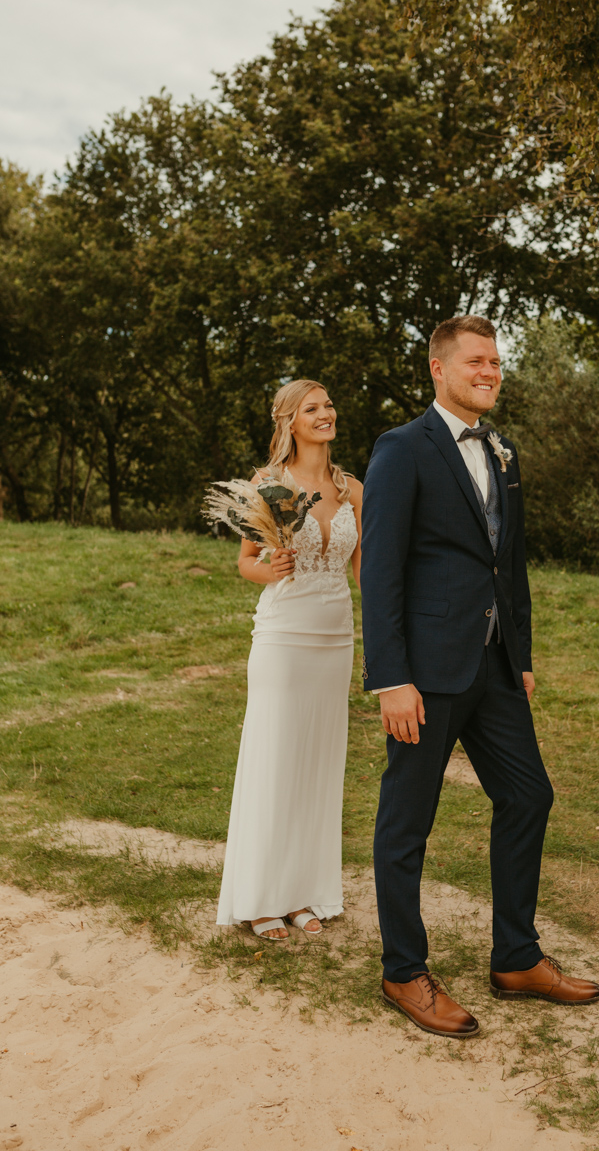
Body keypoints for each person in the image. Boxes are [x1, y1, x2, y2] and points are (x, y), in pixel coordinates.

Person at [360, 315, 599, 1038]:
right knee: (407, 821)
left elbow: (509, 562)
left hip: (494, 667)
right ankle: (403, 971)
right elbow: (380, 570)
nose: (490, 372)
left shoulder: (503, 450)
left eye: (496, 361)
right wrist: (390, 677)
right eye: (476, 361)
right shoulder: (402, 448)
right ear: (439, 369)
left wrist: (520, 657)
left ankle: (516, 958)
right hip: (425, 674)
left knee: (529, 795)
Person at [216, 379, 362, 941]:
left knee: (318, 766)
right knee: (275, 761)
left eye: (329, 404)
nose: (325, 414)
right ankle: (260, 899)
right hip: (283, 638)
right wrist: (268, 568)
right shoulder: (267, 484)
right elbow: (245, 563)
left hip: (335, 640)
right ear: (290, 422)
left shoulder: (353, 489)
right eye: (312, 408)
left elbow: (364, 573)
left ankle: (302, 894)